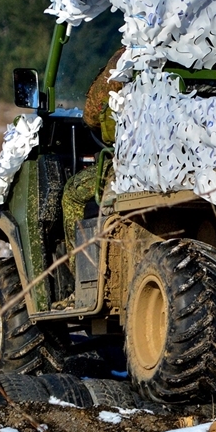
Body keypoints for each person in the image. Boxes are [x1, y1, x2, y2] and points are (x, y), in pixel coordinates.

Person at [61, 48, 124, 270]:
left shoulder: (127, 57)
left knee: (72, 194)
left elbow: (91, 116)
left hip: (132, 166)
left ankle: (80, 277)